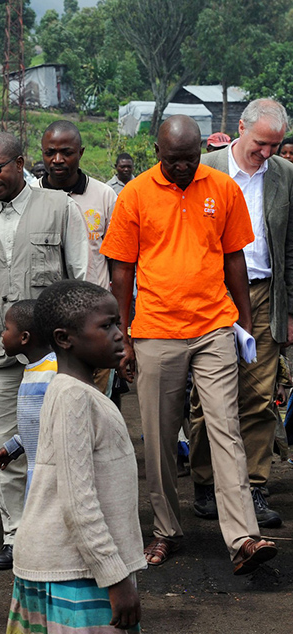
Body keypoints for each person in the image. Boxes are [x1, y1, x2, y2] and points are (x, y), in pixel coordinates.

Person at [101, 114, 279, 573]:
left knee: (226, 428)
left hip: (213, 326)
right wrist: (122, 338)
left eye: (191, 157)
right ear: (157, 152)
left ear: (201, 150)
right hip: (156, 329)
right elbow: (121, 271)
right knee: (159, 439)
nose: (183, 167)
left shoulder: (222, 187)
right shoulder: (135, 194)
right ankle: (166, 531)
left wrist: (243, 322)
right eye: (174, 159)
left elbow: (235, 256)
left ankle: (243, 537)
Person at [0, 131, 87, 570]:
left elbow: (82, 279)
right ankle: (17, 535)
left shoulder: (59, 207)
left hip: (54, 354)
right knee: (1, 447)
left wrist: (85, 349)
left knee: (59, 441)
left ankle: (66, 530)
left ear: (21, 163)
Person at [6, 280, 144, 634]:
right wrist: (114, 575)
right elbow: (78, 500)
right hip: (75, 574)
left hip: (71, 567)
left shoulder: (72, 392)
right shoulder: (74, 400)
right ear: (65, 338)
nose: (118, 334)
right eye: (106, 325)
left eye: (118, 324)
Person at [189, 98, 293, 528]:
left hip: (265, 294)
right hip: (210, 294)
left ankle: (253, 485)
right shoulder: (202, 169)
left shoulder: (286, 177)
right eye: (261, 144)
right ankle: (205, 481)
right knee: (204, 397)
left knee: (258, 394)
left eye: (276, 146)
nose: (267, 153)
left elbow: (290, 248)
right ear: (240, 128)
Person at [34, 120, 118, 395]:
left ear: (80, 153)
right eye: (50, 152)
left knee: (96, 397)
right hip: (46, 320)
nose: (57, 160)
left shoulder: (104, 196)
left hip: (93, 320)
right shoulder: (30, 196)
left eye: (66, 152)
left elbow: (116, 259)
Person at [0, 300, 56, 501]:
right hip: (36, 474)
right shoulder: (32, 371)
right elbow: (36, 424)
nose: (2, 334)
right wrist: (14, 447)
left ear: (24, 337)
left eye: (7, 329)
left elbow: (54, 425)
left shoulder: (53, 372)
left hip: (53, 474)